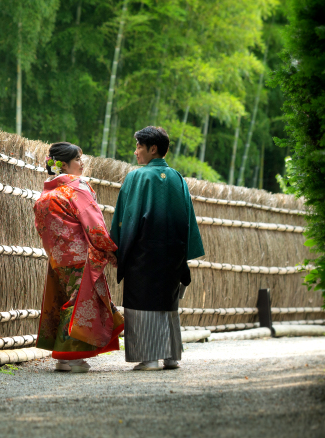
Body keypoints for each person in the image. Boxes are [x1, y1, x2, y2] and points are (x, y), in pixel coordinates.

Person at [110, 126, 205, 371]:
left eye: (139, 146)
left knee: (142, 302)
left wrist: (118, 250)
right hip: (173, 253)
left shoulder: (137, 177)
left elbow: (126, 219)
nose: (135, 152)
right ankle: (171, 356)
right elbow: (188, 220)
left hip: (143, 254)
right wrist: (183, 253)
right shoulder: (178, 178)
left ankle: (149, 358)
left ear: (153, 149)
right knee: (167, 302)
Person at [34, 142, 125, 373]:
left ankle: (68, 356)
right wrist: (111, 250)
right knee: (78, 303)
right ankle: (69, 356)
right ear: (64, 165)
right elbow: (94, 224)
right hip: (81, 257)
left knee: (69, 300)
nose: (82, 163)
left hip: (58, 259)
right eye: (77, 159)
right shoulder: (78, 188)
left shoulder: (46, 195)